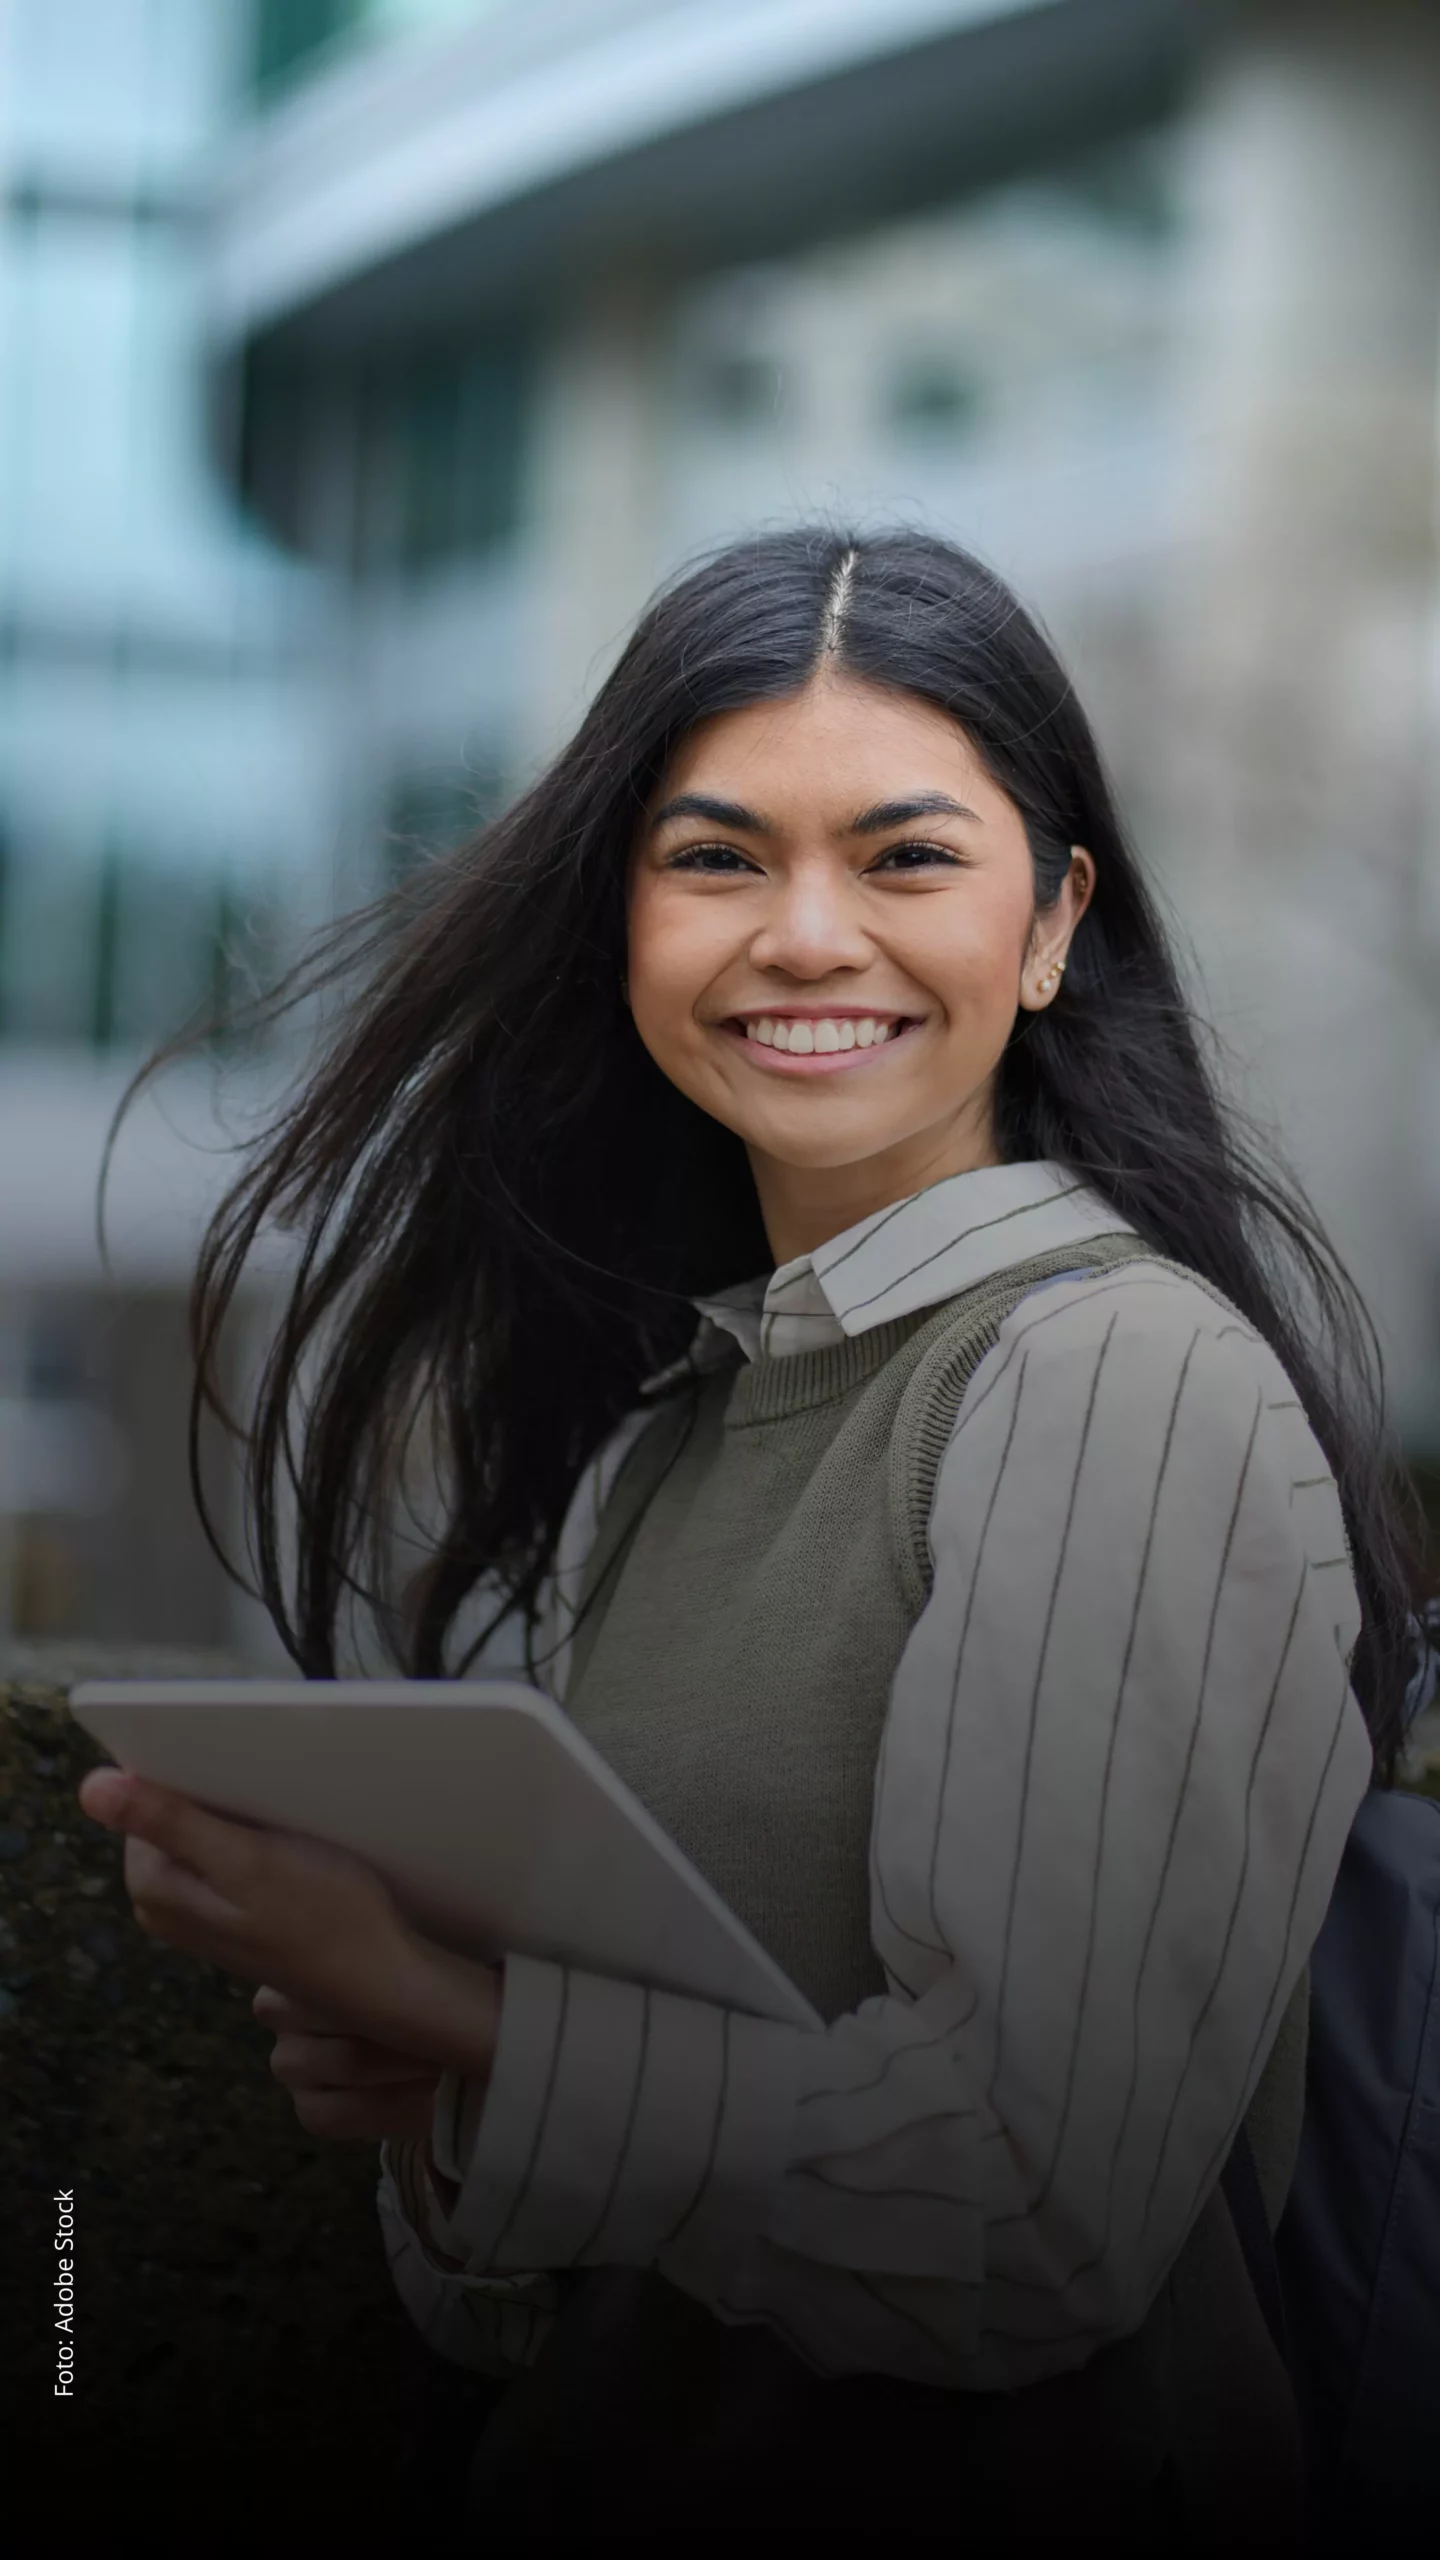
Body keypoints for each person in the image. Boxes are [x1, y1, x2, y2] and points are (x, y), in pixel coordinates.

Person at [81, 529, 1421, 2552]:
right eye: (715, 858)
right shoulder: (669, 1434)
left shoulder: (1114, 1379)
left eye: (904, 858)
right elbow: (539, 2287)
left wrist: (472, 2027)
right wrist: (432, 2089)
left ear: (1053, 921)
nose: (805, 934)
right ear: (624, 920)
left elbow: (1032, 2216)